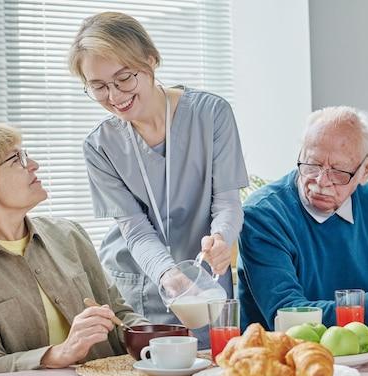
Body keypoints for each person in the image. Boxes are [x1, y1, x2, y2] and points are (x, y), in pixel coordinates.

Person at [68, 12, 248, 344]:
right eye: (98, 86)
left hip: (204, 275)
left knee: (213, 371)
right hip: (141, 280)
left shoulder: (211, 115)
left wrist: (221, 240)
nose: (114, 95)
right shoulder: (99, 145)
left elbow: (226, 200)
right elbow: (134, 230)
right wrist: (167, 274)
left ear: (151, 59)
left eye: (124, 78)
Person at [0, 123, 148, 376]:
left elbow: (117, 314)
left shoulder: (68, 234)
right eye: (16, 158)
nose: (33, 164)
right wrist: (59, 354)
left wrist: (164, 339)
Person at [237, 106, 368, 330]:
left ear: (365, 170)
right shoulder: (263, 215)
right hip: (283, 357)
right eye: (312, 165)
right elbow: (288, 316)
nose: (321, 181)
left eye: (338, 172)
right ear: (300, 154)